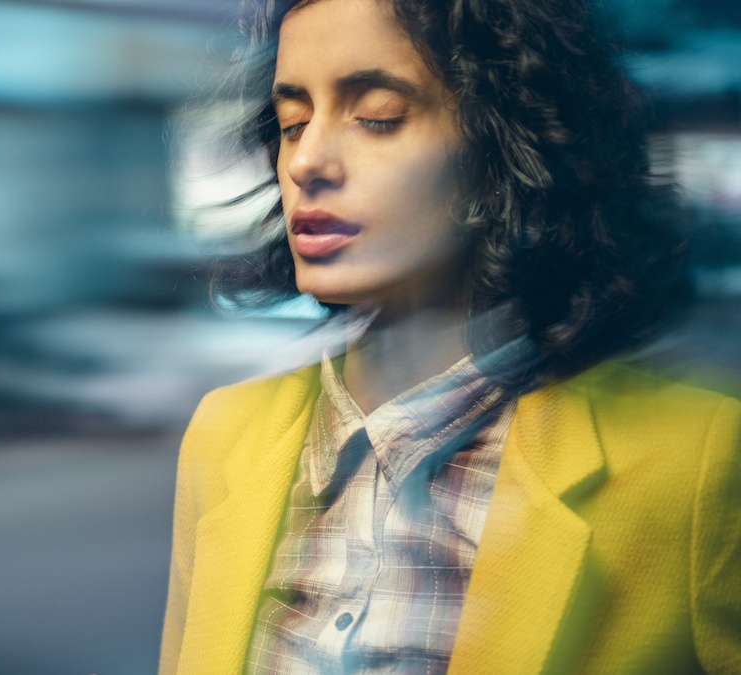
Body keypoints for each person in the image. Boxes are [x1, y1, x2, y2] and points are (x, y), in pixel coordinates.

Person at [159, 0, 741, 672]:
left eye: (377, 116)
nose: (307, 160)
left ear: (503, 146)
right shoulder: (223, 437)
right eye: (293, 122)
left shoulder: (700, 462)